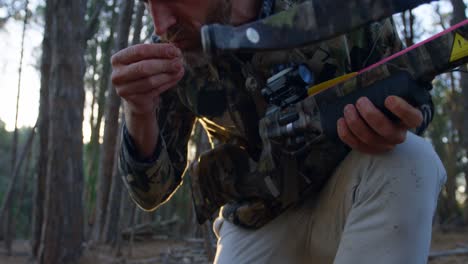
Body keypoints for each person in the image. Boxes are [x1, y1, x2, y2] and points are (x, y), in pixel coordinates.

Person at [111, 0, 447, 263]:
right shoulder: (172, 53)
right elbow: (151, 194)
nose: (161, 23)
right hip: (258, 218)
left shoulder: (331, 9)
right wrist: (139, 111)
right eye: (146, 4)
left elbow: (415, 92)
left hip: (354, 192)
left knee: (411, 160)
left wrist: (397, 122)